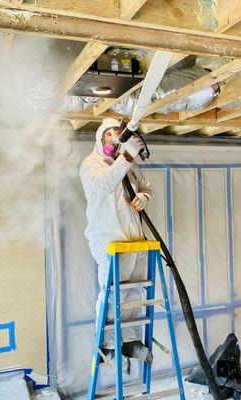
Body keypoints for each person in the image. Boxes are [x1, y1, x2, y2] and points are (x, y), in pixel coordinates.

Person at [80, 117, 153, 373]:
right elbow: (105, 183)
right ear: (100, 138)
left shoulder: (127, 164)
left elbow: (144, 184)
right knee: (114, 293)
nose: (113, 139)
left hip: (133, 239)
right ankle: (109, 344)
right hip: (108, 240)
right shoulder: (91, 165)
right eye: (109, 135)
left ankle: (129, 340)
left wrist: (143, 196)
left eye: (117, 134)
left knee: (134, 292)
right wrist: (127, 157)